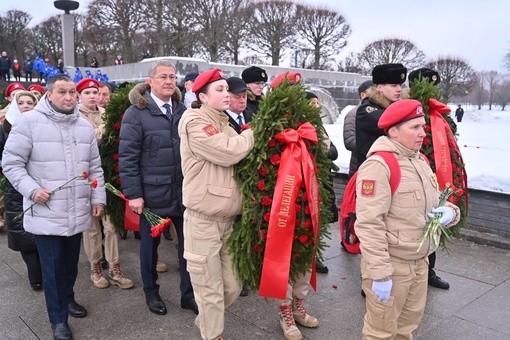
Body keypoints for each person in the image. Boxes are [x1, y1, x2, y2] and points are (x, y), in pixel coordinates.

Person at [2, 75, 106, 340]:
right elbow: (12, 163)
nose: (69, 97)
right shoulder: (28, 123)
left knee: (71, 265)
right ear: (49, 95)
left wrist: (98, 198)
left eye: (72, 91)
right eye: (62, 92)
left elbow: (94, 167)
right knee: (52, 267)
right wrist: (32, 190)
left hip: (77, 209)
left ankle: (68, 298)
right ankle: (58, 318)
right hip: (46, 210)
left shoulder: (83, 127)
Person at [355, 99, 460, 340]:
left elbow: (434, 202)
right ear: (393, 131)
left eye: (422, 127)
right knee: (380, 333)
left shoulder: (419, 161)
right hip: (392, 267)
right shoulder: (379, 165)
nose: (423, 133)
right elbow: (369, 225)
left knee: (406, 329)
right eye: (414, 127)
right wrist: (380, 275)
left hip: (420, 263)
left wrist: (451, 213)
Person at [178, 68, 254, 340]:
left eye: (226, 88)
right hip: (203, 221)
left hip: (228, 221)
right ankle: (212, 334)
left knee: (232, 287)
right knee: (208, 289)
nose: (227, 94)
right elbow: (229, 151)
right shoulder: (195, 121)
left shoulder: (223, 121)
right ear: (202, 96)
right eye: (219, 90)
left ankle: (206, 320)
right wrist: (253, 133)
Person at [119, 59, 197, 316]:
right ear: (150, 81)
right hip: (152, 195)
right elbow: (128, 157)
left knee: (188, 248)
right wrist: (134, 195)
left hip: (181, 192)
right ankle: (151, 292)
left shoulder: (182, 110)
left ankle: (188, 295)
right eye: (163, 77)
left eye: (172, 77)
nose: (168, 81)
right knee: (149, 250)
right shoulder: (136, 113)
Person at [77, 78, 134, 290]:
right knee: (92, 227)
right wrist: (106, 127)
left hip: (109, 177)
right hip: (87, 179)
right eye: (87, 92)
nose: (93, 96)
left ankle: (115, 267)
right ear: (79, 96)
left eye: (95, 92)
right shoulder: (75, 116)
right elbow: (87, 139)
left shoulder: (104, 113)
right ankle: (95, 268)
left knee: (112, 226)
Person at [407, 67, 452, 290]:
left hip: (438, 176)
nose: (432, 89)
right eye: (427, 85)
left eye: (435, 85)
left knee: (433, 224)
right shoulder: (409, 112)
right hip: (415, 175)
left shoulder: (441, 113)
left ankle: (428, 271)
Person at [1, 91, 42, 291]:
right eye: (22, 102)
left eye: (30, 102)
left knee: (41, 233)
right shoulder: (4, 129)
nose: (26, 105)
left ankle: (45, 272)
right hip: (15, 189)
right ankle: (35, 277)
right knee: (23, 236)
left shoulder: (42, 127)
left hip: (40, 186)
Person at [356, 63, 407, 169]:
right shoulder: (366, 109)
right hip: (373, 170)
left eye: (400, 85)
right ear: (380, 87)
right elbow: (389, 122)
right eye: (393, 85)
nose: (399, 89)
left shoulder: (393, 106)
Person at [344, 80, 375, 177]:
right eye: (373, 92)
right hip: (359, 166)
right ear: (363, 95)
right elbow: (349, 141)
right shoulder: (353, 114)